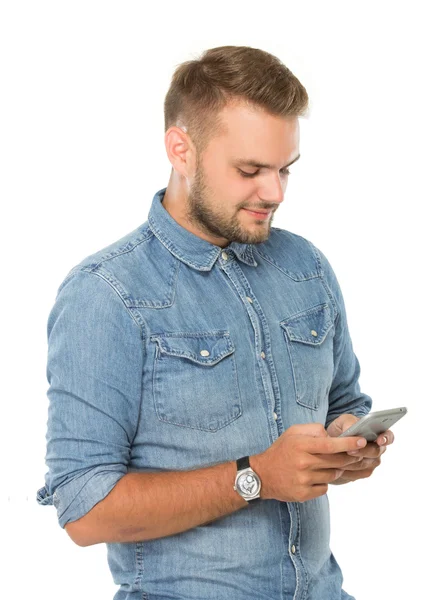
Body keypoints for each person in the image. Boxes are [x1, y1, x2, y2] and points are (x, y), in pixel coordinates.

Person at [36, 45, 394, 600]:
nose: (273, 193)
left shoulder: (305, 266)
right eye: (250, 170)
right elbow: (84, 508)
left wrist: (349, 444)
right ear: (181, 150)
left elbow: (345, 401)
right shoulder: (105, 295)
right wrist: (256, 477)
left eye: (284, 170)